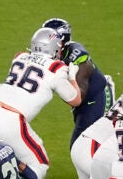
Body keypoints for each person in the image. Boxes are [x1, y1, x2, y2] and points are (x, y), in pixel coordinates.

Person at [0, 27, 82, 179]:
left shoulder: (19, 57)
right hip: (11, 118)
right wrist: (72, 76)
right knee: (39, 164)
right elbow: (75, 99)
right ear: (55, 48)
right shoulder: (57, 68)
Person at [42, 18, 116, 148]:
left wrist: (67, 79)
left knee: (82, 146)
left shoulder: (79, 61)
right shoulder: (58, 51)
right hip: (83, 101)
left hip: (94, 99)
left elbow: (78, 98)